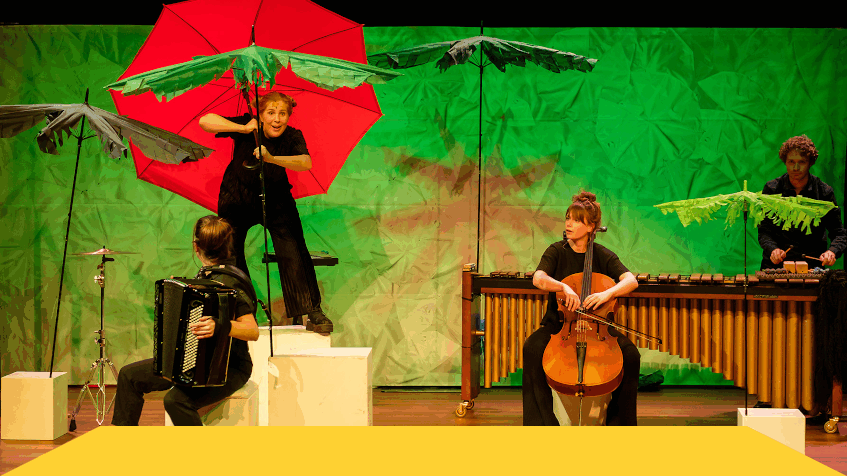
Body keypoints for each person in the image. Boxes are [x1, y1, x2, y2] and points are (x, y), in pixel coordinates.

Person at [198, 92, 332, 334]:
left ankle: (312, 309)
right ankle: (240, 310)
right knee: (229, 254)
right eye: (270, 113)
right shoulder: (247, 124)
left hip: (276, 197)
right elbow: (205, 121)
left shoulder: (292, 136)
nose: (277, 119)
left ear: (289, 116)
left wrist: (271, 158)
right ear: (260, 115)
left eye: (282, 114)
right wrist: (242, 127)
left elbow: (305, 162)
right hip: (236, 196)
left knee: (293, 247)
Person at [111, 215, 259, 426]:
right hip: (194, 362)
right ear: (229, 245)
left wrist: (219, 326)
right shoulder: (205, 276)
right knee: (129, 376)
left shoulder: (230, 282)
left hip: (229, 368)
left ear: (196, 246)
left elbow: (252, 331)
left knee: (176, 400)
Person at [522, 191, 640, 426]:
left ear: (591, 227)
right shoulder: (556, 250)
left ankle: (620, 426)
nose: (568, 223)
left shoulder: (602, 255)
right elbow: (538, 278)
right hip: (560, 326)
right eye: (568, 217)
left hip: (598, 328)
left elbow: (631, 281)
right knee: (532, 349)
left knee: (631, 356)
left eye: (576, 220)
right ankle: (543, 425)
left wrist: (608, 292)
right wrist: (563, 288)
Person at [758, 135, 846, 270]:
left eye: (802, 162)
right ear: (785, 162)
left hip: (812, 268)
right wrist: (773, 249)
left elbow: (839, 233)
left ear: (810, 163)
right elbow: (764, 230)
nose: (796, 167)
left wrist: (832, 252)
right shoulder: (772, 189)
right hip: (776, 267)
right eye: (791, 162)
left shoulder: (824, 192)